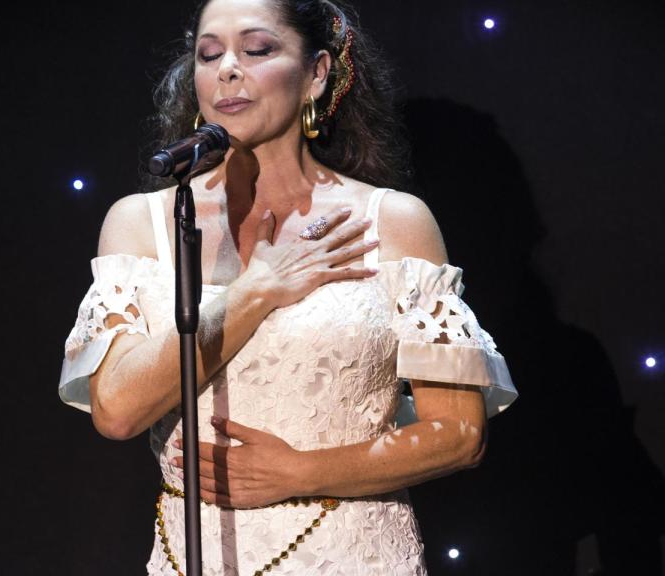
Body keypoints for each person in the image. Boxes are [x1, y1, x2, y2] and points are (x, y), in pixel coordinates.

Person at [57, 0, 518, 573]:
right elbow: (118, 411)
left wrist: (299, 472)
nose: (227, 68)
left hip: (352, 552)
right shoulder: (143, 221)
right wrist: (256, 291)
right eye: (209, 53)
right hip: (198, 555)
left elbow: (458, 433)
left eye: (257, 50)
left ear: (317, 73)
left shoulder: (392, 221)